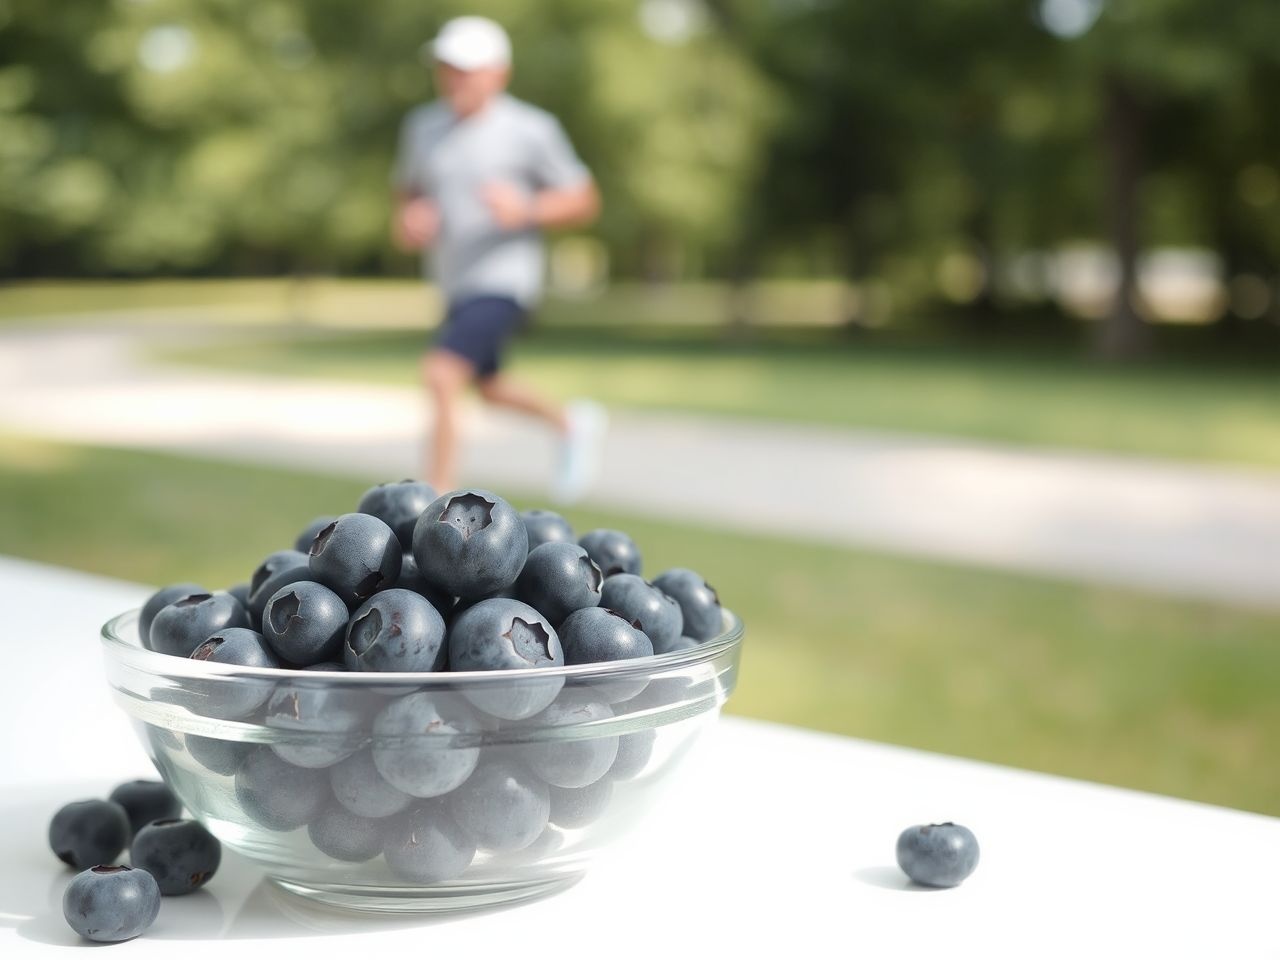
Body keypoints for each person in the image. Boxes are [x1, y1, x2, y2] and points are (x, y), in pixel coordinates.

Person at [391, 15, 605, 501]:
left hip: (506, 279)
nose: (453, 79)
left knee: (442, 373)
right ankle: (571, 423)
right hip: (454, 280)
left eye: (465, 69)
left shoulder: (531, 129)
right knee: (488, 387)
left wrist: (526, 208)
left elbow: (584, 199)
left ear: (498, 73)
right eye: (446, 67)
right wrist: (412, 217)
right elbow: (407, 195)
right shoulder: (422, 127)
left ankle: (435, 503)